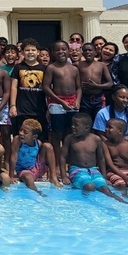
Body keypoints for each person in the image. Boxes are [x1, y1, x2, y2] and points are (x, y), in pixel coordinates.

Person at [60, 113, 128, 203]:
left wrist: (104, 176)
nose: (72, 127)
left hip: (93, 170)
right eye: (72, 124)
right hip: (77, 169)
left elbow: (101, 159)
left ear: (86, 128)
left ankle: (121, 201)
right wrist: (64, 176)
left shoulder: (96, 139)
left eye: (76, 125)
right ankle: (87, 204)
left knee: (104, 188)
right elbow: (63, 157)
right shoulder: (69, 139)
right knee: (89, 186)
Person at [43, 40, 82, 168]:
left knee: (70, 133)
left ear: (68, 51)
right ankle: (57, 164)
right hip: (57, 103)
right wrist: (61, 102)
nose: (61, 52)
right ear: (53, 52)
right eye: (57, 50)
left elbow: (78, 87)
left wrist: (77, 101)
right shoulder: (51, 68)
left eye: (63, 49)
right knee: (57, 134)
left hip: (72, 103)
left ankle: (69, 161)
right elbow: (46, 87)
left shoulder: (74, 69)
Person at [93, 84, 128, 165]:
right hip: (109, 143)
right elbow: (100, 134)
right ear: (113, 97)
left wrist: (124, 140)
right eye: (122, 97)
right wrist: (111, 144)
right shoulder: (102, 113)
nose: (125, 100)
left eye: (127, 98)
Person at [9, 38, 48, 141]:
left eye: (33, 50)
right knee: (21, 137)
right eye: (27, 50)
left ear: (38, 52)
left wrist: (48, 108)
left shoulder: (44, 68)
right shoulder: (18, 67)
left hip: (40, 110)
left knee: (40, 139)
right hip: (22, 110)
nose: (30, 52)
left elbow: (48, 89)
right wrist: (12, 106)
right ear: (22, 52)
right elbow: (13, 87)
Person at [10, 118, 60, 195]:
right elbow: (14, 156)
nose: (21, 133)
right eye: (20, 130)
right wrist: (11, 176)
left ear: (34, 136)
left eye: (25, 132)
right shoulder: (17, 140)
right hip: (24, 171)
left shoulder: (38, 143)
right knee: (28, 178)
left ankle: (53, 177)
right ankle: (37, 192)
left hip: (37, 168)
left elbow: (44, 159)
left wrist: (49, 172)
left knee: (48, 146)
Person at [77, 42, 113, 119]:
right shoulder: (78, 64)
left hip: (98, 98)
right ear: (82, 53)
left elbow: (110, 83)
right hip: (84, 98)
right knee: (85, 120)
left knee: (99, 119)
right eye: (85, 50)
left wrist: (96, 86)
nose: (87, 52)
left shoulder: (101, 65)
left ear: (95, 52)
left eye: (90, 50)